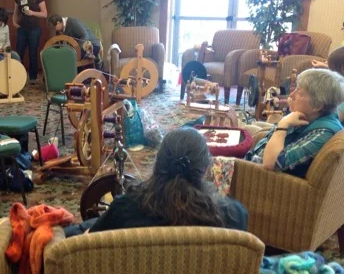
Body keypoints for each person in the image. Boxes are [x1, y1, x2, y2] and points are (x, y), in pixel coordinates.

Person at [66, 128, 248, 236]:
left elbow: (89, 244)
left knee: (77, 229)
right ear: (206, 169)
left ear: (157, 163)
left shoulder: (125, 208)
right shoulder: (234, 216)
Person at [246, 69, 344, 178]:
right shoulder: (313, 116)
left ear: (317, 106)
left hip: (256, 174)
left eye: (300, 93)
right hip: (254, 158)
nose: (291, 95)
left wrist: (283, 125)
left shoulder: (322, 134)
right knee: (248, 128)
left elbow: (271, 163)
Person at [13, 0, 47, 84]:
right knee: (19, 53)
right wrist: (14, 23)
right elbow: (15, 12)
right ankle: (18, 76)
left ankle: (32, 78)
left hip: (34, 30)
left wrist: (32, 13)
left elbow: (44, 14)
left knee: (33, 54)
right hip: (22, 29)